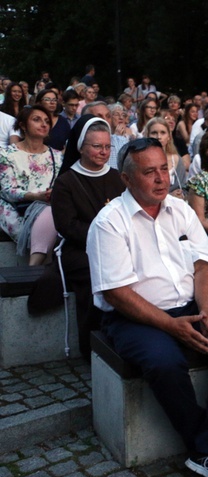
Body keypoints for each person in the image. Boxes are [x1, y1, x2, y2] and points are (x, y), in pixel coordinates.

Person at [87, 138, 208, 477]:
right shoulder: (109, 222)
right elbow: (117, 294)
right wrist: (172, 326)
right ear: (127, 179)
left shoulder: (180, 209)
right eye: (150, 172)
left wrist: (206, 312)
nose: (162, 178)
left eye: (164, 169)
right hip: (134, 316)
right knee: (163, 361)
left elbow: (205, 266)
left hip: (192, 304)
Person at [49, 116, 126, 359]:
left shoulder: (117, 177)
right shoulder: (66, 182)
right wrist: (105, 239)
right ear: (81, 146)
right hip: (80, 250)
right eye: (97, 146)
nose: (103, 152)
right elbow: (67, 226)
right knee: (97, 275)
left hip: (120, 245)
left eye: (107, 147)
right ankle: (93, 346)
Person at [0, 105, 62, 265]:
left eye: (47, 121)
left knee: (50, 212)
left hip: (47, 207)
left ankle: (34, 268)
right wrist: (36, 196)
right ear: (22, 125)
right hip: (16, 209)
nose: (44, 124)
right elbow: (8, 191)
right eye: (37, 120)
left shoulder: (57, 156)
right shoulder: (6, 154)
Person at [144, 117, 187, 200]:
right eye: (154, 133)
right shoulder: (141, 161)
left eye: (163, 133)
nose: (158, 137)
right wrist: (169, 196)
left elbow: (184, 188)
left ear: (169, 137)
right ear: (147, 135)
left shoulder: (177, 159)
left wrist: (181, 194)